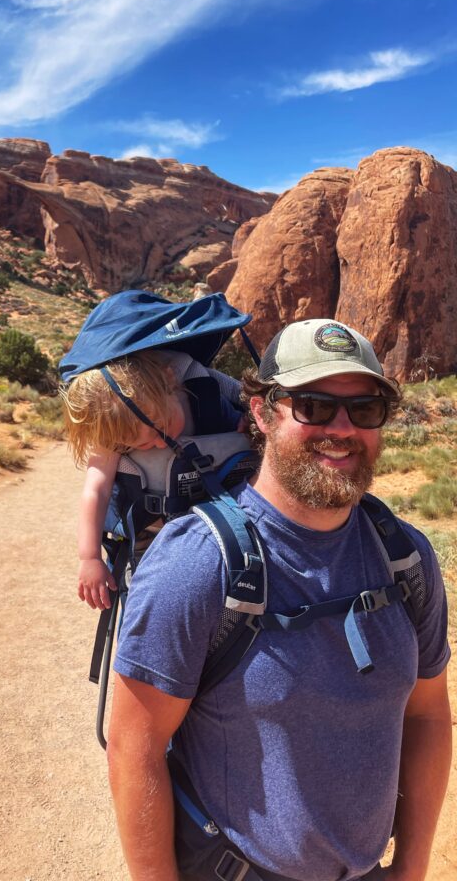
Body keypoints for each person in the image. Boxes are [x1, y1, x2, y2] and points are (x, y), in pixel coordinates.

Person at [108, 318, 451, 881]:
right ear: (263, 413)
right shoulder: (197, 562)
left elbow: (430, 714)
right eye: (313, 406)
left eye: (364, 409)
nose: (341, 429)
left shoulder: (405, 555)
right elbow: (134, 747)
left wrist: (411, 868)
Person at [61, 348, 243, 611]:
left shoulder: (195, 382)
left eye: (164, 426)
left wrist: (249, 419)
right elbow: (96, 490)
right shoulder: (114, 426)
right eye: (143, 445)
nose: (160, 442)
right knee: (153, 607)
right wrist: (89, 557)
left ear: (170, 382)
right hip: (152, 538)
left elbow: (247, 403)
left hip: (222, 527)